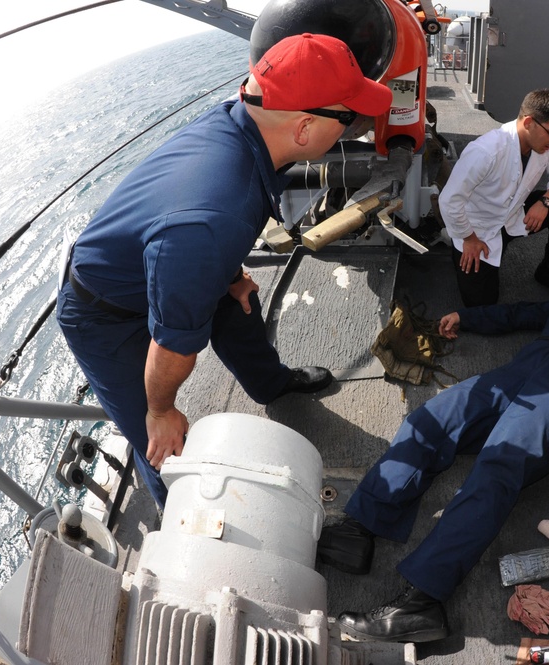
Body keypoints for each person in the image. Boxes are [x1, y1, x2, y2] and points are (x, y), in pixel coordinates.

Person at [56, 33, 392, 507]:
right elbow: (172, 343)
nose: (353, 127)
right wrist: (161, 408)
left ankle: (272, 383)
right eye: (348, 117)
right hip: (104, 312)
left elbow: (201, 230)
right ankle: (179, 519)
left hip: (171, 257)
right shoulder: (213, 217)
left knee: (240, 306)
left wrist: (231, 278)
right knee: (162, 445)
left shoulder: (240, 126)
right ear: (303, 128)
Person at [317, 290, 549, 643]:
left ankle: (422, 602)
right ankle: (357, 530)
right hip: (511, 380)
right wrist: (466, 319)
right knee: (432, 420)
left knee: (497, 469)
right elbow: (518, 314)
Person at [439, 89, 549, 307]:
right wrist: (468, 238)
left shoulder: (544, 146)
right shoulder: (485, 151)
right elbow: (449, 200)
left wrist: (545, 203)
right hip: (479, 229)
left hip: (514, 215)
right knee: (481, 305)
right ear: (528, 123)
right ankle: (456, 245)